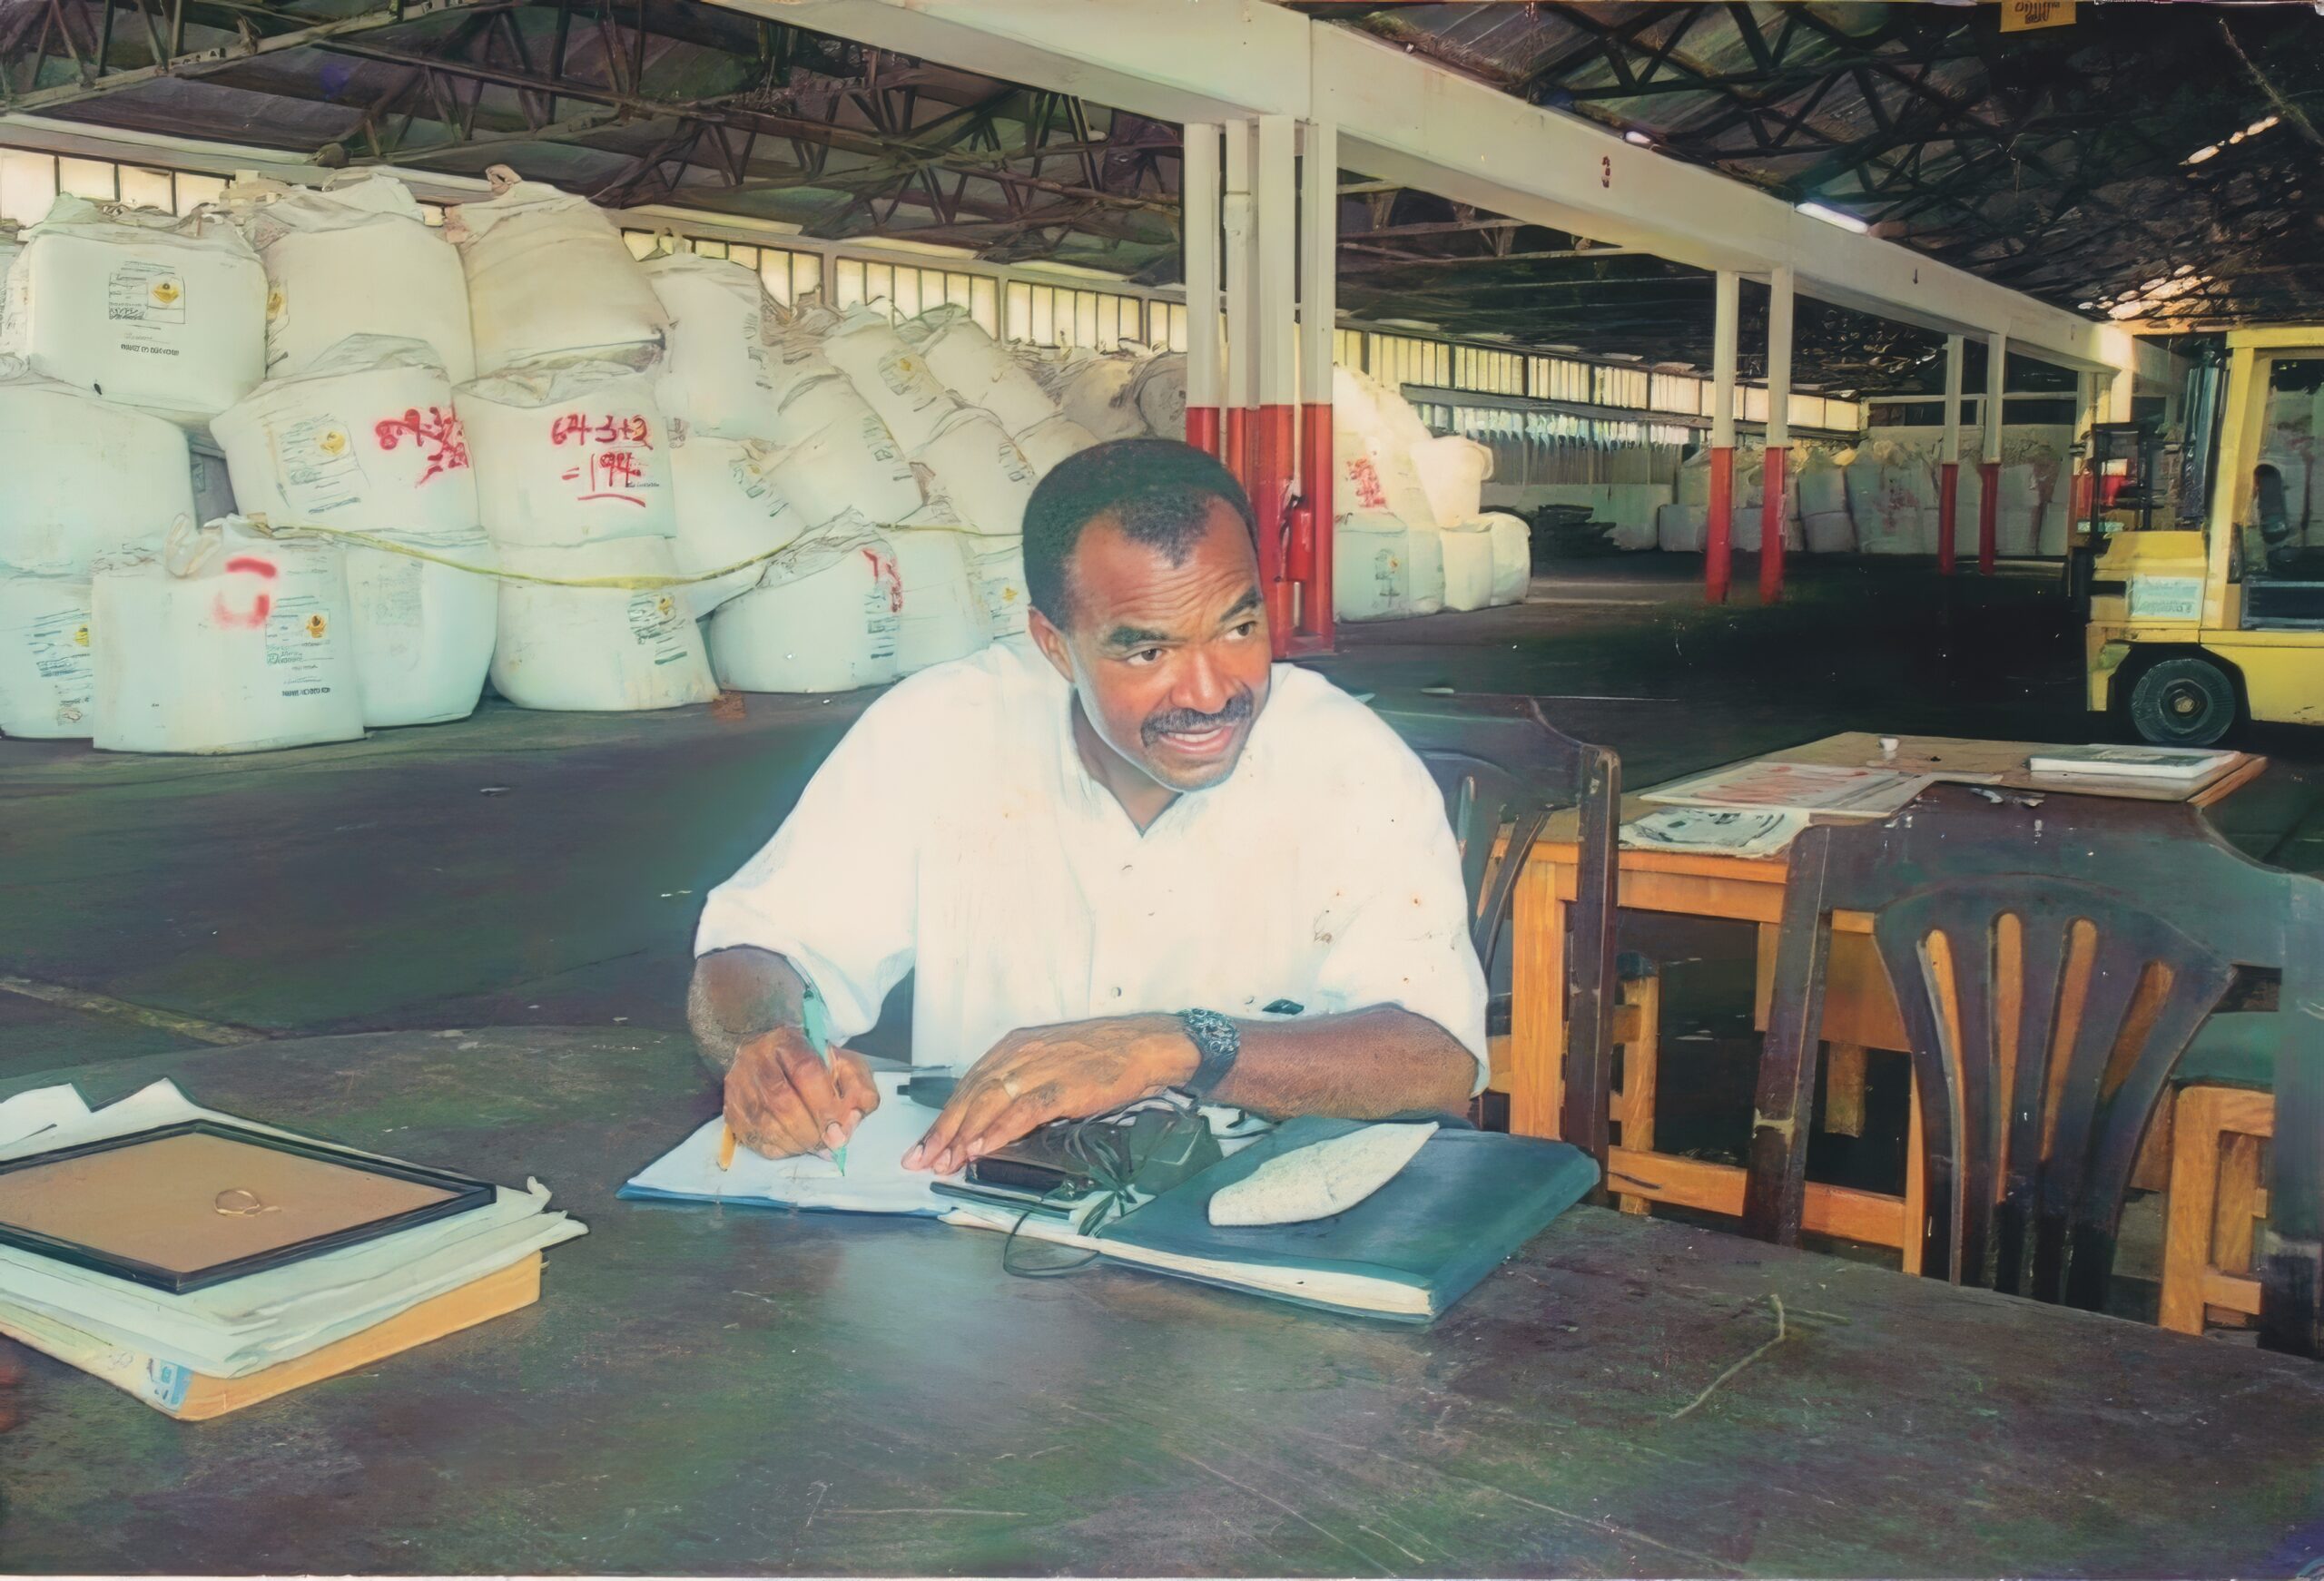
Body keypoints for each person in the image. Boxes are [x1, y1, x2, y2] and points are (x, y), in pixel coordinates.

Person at [689, 438, 1486, 1174]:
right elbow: (758, 948)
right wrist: (767, 1047)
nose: (1211, 692)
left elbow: (1437, 1059)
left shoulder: (1349, 763)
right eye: (1149, 651)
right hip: (984, 1218)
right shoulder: (940, 731)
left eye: (1239, 628)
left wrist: (1176, 1047)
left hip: (1261, 1222)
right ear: (1054, 645)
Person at [2252, 462, 2296, 574]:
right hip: (2280, 532)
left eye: (2256, 481)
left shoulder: (2265, 504)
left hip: (2272, 534)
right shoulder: (2279, 498)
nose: (2255, 484)